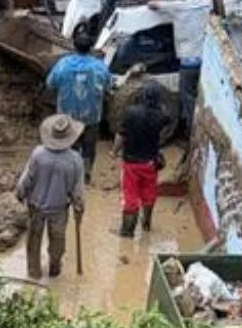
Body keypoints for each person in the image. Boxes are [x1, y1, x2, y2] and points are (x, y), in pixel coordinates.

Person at [15, 114, 87, 279]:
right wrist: (79, 208)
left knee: (34, 241)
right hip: (59, 208)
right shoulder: (75, 160)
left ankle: (34, 272)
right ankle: (55, 268)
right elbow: (78, 191)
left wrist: (20, 193)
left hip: (36, 206)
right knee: (57, 241)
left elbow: (26, 179)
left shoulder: (38, 154)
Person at [45, 25, 112, 183]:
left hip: (67, 115)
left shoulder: (63, 64)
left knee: (69, 144)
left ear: (74, 46)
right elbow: (109, 86)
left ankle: (70, 174)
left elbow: (50, 84)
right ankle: (86, 173)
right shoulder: (99, 66)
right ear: (90, 48)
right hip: (92, 115)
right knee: (89, 147)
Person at [116, 80, 169, 237]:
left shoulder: (130, 113)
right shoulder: (161, 116)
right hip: (151, 163)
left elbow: (121, 135)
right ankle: (146, 224)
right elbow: (167, 116)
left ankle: (127, 232)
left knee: (130, 196)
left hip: (131, 163)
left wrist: (114, 151)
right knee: (149, 193)